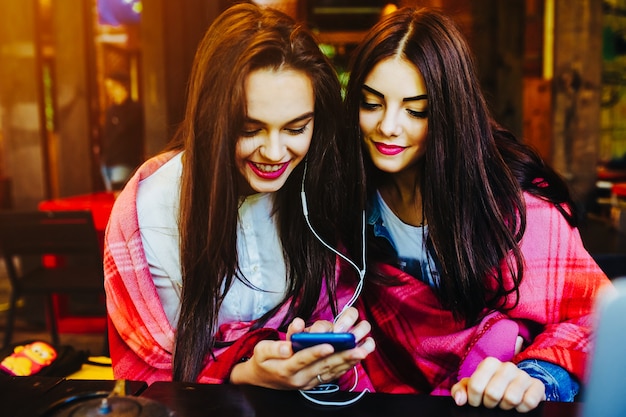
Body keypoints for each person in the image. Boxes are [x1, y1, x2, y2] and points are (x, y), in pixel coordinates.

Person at [343, 6, 614, 412]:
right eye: (371, 103)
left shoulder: (516, 206)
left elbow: (599, 324)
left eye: (416, 110)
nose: (388, 126)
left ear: (451, 114)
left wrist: (536, 376)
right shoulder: (344, 195)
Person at [103, 3, 373, 388]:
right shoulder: (151, 212)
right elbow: (155, 375)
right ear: (212, 119)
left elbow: (339, 304)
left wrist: (329, 342)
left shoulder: (319, 188)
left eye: (296, 129)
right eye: (250, 129)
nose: (275, 153)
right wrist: (245, 373)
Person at [98, 71, 144, 191]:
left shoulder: (134, 108)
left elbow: (123, 128)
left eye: (112, 87)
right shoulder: (110, 110)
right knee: (111, 200)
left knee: (119, 196)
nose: (110, 92)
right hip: (107, 162)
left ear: (122, 86)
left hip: (124, 162)